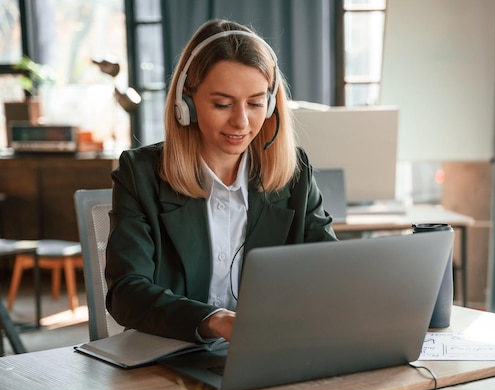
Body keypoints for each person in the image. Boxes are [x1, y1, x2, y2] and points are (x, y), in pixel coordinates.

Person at [105, 19, 337, 344]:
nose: (241, 121)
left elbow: (333, 271)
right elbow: (126, 292)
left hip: (268, 352)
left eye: (256, 103)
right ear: (186, 103)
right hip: (171, 358)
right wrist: (215, 321)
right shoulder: (140, 174)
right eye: (222, 104)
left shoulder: (295, 174)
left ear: (271, 104)